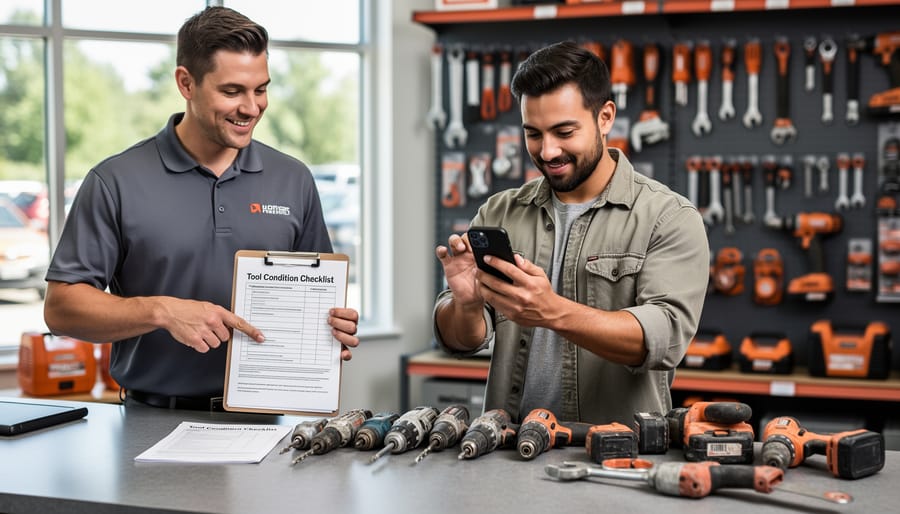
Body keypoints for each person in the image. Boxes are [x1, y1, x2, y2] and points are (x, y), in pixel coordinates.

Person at [43, 6, 359, 410]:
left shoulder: (293, 179)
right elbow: (61, 308)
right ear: (186, 83)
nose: (251, 107)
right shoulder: (115, 181)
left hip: (267, 423)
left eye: (260, 89)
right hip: (151, 421)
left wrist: (335, 327)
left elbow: (320, 301)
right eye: (232, 91)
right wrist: (161, 310)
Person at [433, 41, 709, 425]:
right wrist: (465, 305)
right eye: (533, 134)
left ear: (605, 117)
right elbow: (460, 341)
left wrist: (552, 311)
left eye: (564, 131)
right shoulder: (499, 212)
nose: (547, 151)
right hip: (508, 450)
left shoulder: (667, 218)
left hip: (614, 454)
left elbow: (664, 339)